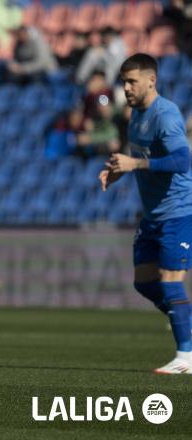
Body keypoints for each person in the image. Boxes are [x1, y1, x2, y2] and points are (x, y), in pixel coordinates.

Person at [99, 53, 192, 374]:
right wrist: (119, 170)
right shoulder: (136, 115)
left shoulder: (165, 115)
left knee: (170, 283)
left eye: (132, 81)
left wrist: (135, 164)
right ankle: (186, 322)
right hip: (153, 214)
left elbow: (182, 161)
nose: (125, 87)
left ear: (151, 80)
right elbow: (142, 156)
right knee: (143, 282)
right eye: (123, 81)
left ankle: (185, 357)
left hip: (179, 211)